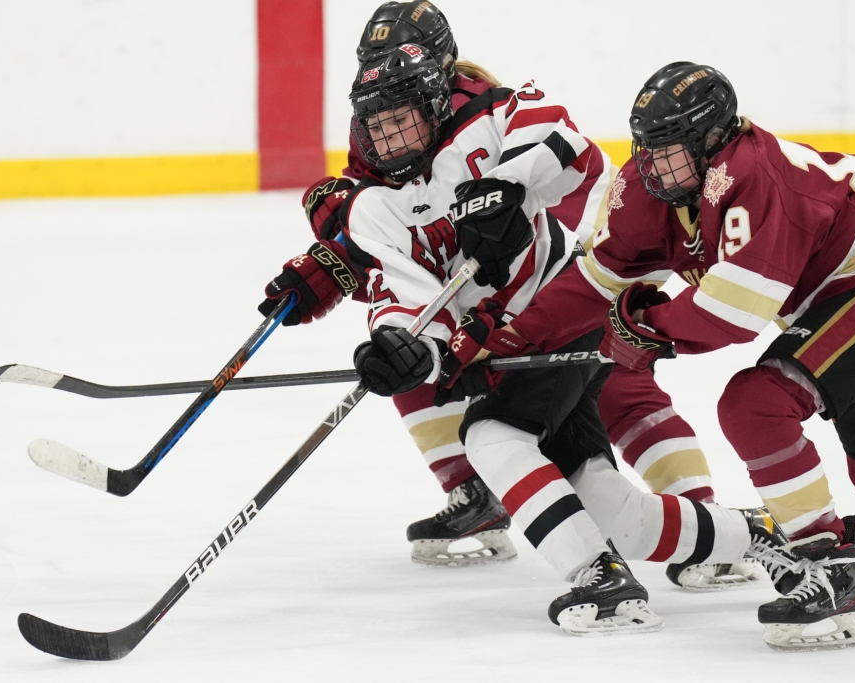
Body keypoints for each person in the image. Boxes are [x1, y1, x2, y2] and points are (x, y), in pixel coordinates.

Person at [261, 2, 750, 591]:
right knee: (411, 359)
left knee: (620, 389)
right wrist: (333, 264)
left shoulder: (494, 113)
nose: (382, 87)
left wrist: (588, 253)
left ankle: (701, 517)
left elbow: (590, 184)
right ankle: (478, 493)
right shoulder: (384, 128)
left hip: (574, 282)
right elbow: (399, 239)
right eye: (371, 64)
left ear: (436, 69)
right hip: (487, 317)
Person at [483, 61, 855, 650]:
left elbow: (735, 312)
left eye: (670, 152)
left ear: (715, 139)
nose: (653, 167)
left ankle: (829, 570)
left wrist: (648, 328)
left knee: (756, 404)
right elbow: (597, 280)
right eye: (647, 150)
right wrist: (510, 338)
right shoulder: (651, 185)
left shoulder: (751, 177)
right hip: (832, 297)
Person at [340, 45, 792, 637]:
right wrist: (403, 347)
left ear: (431, 103)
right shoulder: (371, 208)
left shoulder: (489, 119)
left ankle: (598, 577)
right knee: (611, 507)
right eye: (376, 125)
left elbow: (564, 141)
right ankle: (754, 533)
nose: (389, 137)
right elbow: (405, 295)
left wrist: (503, 184)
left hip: (561, 314)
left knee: (493, 435)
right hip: (506, 343)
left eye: (400, 118)